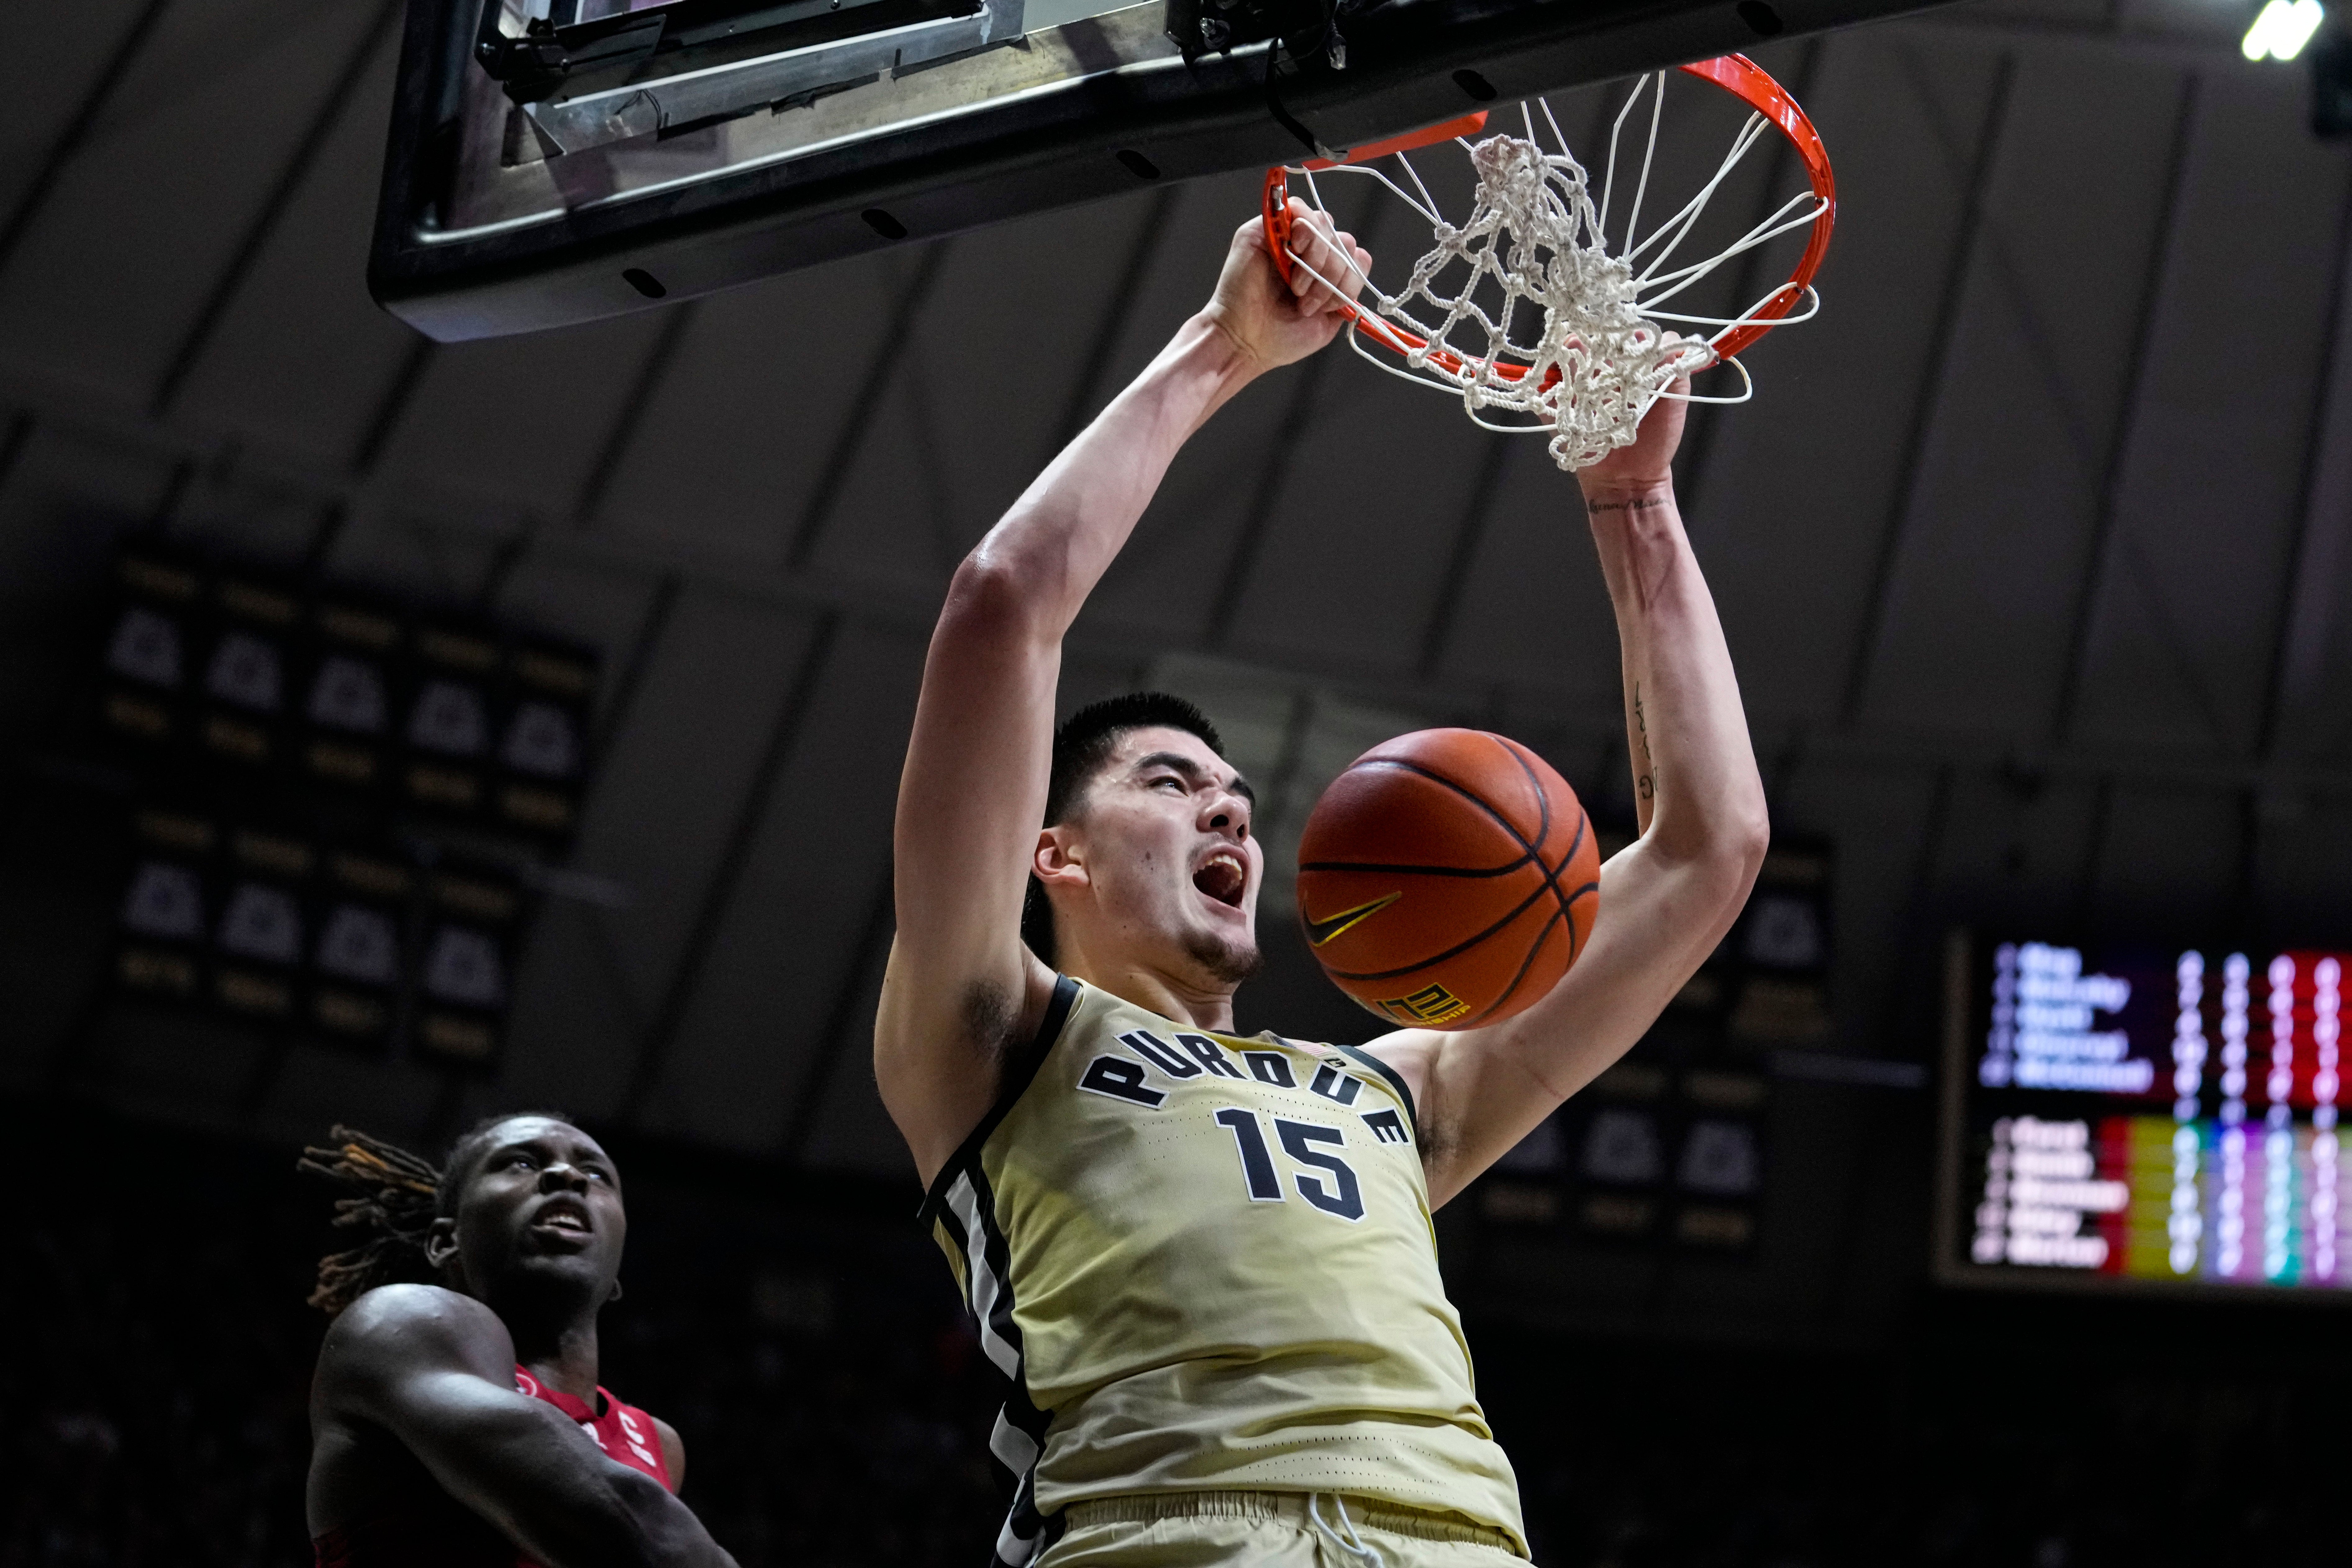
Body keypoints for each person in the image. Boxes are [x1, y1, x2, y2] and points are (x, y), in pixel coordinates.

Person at [875, 198, 1769, 1567]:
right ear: (1055, 855)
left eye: (1232, 791)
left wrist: (1633, 501)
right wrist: (1223, 346)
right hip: (1165, 1530)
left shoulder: (1400, 1093)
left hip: (1458, 1539)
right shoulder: (994, 1031)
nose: (1226, 801)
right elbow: (1003, 603)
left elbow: (1712, 848)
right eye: (1169, 782)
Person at [299, 1114, 738, 1568]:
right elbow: (629, 1528)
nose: (567, 1175)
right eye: (522, 1163)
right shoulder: (395, 1322)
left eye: (595, 1174)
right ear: (446, 1241)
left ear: (615, 1272)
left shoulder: (657, 1443)